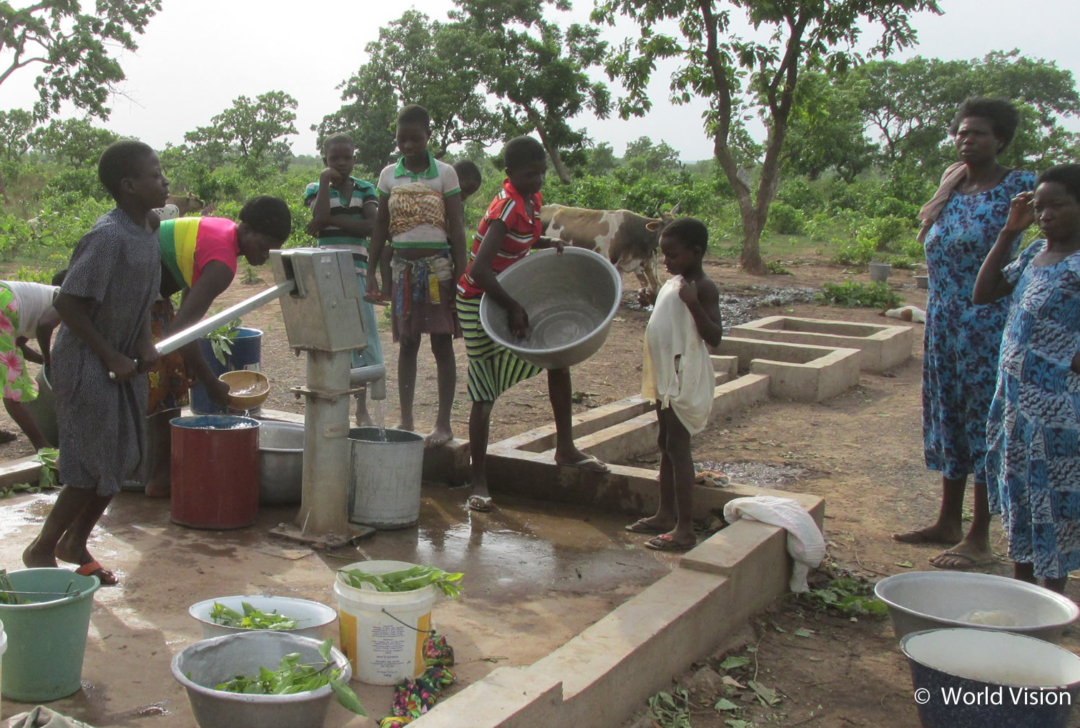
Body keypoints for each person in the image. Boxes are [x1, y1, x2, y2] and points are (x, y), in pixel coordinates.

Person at [892, 98, 1037, 569]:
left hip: (988, 323)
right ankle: (948, 520)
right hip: (943, 323)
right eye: (961, 132)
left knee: (984, 424)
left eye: (978, 133)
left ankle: (980, 535)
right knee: (948, 417)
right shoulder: (951, 186)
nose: (966, 139)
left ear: (1000, 139)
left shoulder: (1018, 188)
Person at [22, 140, 167, 586]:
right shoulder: (107, 237)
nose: (164, 181)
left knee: (124, 458)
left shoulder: (150, 227)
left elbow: (144, 297)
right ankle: (42, 548)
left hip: (123, 358)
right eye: (155, 174)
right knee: (89, 465)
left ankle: (74, 542)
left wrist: (143, 344)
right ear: (128, 185)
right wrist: (112, 354)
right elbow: (67, 304)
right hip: (88, 360)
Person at [456, 136, 609, 512]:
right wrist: (514, 307)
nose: (539, 180)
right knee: (484, 389)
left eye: (542, 172)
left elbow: (522, 240)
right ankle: (478, 482)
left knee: (558, 361)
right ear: (510, 174)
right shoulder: (506, 207)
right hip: (478, 300)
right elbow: (478, 269)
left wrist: (545, 244)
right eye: (530, 174)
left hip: (504, 294)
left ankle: (566, 448)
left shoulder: (531, 200)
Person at [973, 164, 1080, 594]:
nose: (1046, 214)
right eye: (1039, 207)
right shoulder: (1035, 253)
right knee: (1021, 500)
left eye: (1058, 204)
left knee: (1053, 508)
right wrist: (1007, 232)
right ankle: (1023, 599)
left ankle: (1049, 608)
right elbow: (984, 293)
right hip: (1016, 404)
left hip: (1057, 411)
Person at [143, 196, 292, 497]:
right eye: (263, 246)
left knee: (171, 382)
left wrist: (189, 362)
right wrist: (211, 383)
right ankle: (153, 477)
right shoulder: (224, 263)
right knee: (158, 383)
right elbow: (182, 330)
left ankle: (159, 477)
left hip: (150, 294)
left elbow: (188, 288)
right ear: (247, 228)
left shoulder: (222, 229)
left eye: (273, 250)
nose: (265, 256)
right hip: (135, 296)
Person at [365, 104, 467, 448]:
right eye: (401, 139)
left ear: (428, 137)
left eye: (415, 138)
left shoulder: (446, 174)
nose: (407, 145)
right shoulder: (388, 176)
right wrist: (372, 274)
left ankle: (443, 424)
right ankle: (406, 419)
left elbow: (457, 228)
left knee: (441, 343)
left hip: (439, 271)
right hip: (403, 273)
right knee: (407, 344)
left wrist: (462, 276)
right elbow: (381, 228)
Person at [624, 218, 722, 550]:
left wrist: (693, 303)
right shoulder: (676, 282)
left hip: (684, 377)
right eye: (663, 256)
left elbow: (715, 336)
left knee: (679, 448)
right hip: (666, 377)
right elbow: (671, 316)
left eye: (673, 256)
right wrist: (653, 301)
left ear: (696, 252)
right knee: (665, 443)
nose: (665, 263)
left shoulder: (702, 288)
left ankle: (685, 529)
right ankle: (665, 514)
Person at [306, 133, 384, 426]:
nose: (341, 163)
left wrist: (330, 222)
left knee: (361, 340)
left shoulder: (365, 189)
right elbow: (319, 212)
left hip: (357, 272)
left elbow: (372, 226)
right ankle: (333, 403)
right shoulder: (316, 187)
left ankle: (361, 408)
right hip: (326, 275)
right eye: (334, 158)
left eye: (346, 157)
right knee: (332, 340)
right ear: (324, 160)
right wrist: (325, 183)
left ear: (354, 157)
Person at [0, 274, 64, 449]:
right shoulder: (67, 298)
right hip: (3, 305)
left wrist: (45, 361)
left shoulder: (35, 303)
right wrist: (47, 356)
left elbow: (18, 346)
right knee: (14, 389)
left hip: (5, 301)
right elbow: (45, 326)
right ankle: (42, 445)